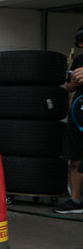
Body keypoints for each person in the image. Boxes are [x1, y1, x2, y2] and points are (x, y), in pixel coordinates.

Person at [55, 29, 83, 215]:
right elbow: (68, 86)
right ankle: (75, 200)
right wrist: (75, 82)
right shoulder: (79, 60)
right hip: (78, 113)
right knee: (76, 159)